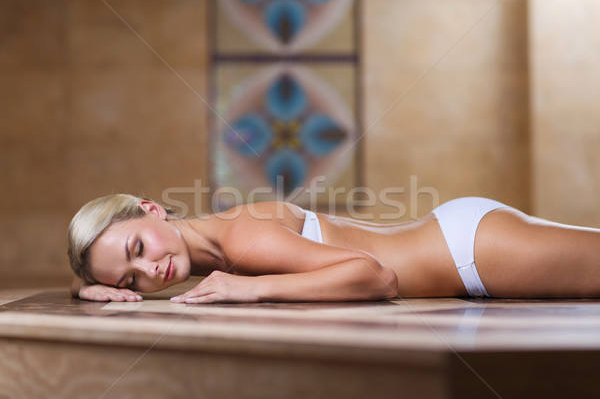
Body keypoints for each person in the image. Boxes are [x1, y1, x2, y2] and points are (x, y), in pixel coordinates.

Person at [68, 194, 600, 303]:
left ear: (153, 208)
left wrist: (246, 292)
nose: (148, 271)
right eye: (130, 279)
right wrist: (89, 287)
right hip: (456, 241)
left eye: (138, 246)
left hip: (470, 249)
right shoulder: (218, 245)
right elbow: (99, 271)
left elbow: (376, 277)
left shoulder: (240, 239)